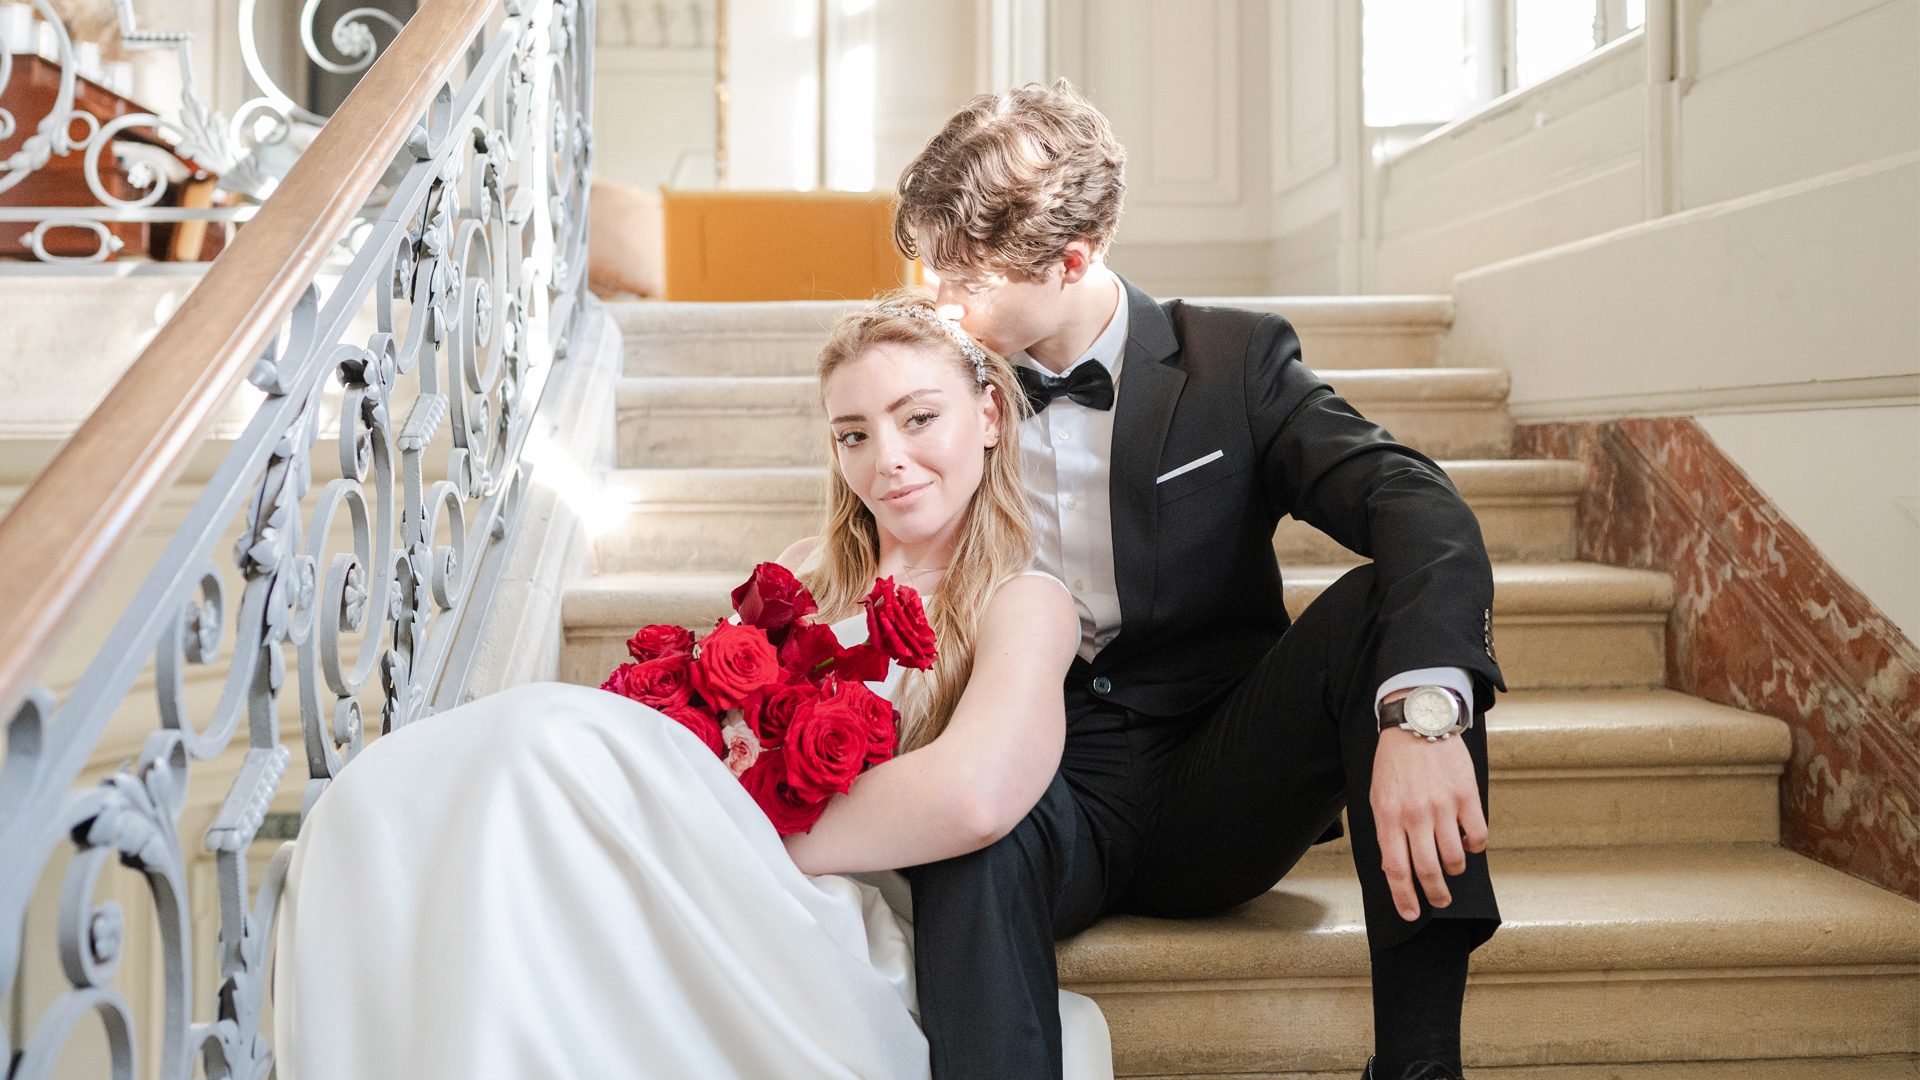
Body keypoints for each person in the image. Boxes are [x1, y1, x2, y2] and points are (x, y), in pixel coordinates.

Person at [271, 294, 1117, 1079]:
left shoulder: (1026, 601)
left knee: (545, 743)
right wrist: (691, 804)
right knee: (466, 793)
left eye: (918, 418)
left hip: (827, 910)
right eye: (854, 434)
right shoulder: (797, 580)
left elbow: (976, 798)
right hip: (728, 876)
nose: (887, 459)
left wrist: (718, 832)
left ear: (992, 415)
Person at [889, 81, 1506, 1080]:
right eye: (930, 271)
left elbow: (1418, 507)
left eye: (964, 279)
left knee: (1384, 622)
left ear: (1073, 261)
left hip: (1220, 780)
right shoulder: (933, 386)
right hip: (1038, 777)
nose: (936, 302)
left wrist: (1424, 715)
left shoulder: (1235, 361)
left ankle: (1421, 1065)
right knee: (975, 821)